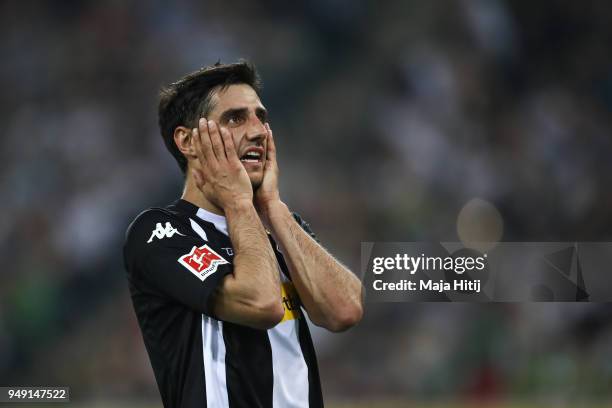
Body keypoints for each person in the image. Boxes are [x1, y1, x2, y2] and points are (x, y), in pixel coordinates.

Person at [123, 61, 364, 408]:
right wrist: (238, 201)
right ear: (188, 141)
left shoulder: (277, 225)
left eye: (261, 117)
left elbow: (345, 309)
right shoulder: (160, 231)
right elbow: (262, 303)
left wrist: (273, 207)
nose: (258, 131)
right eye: (235, 118)